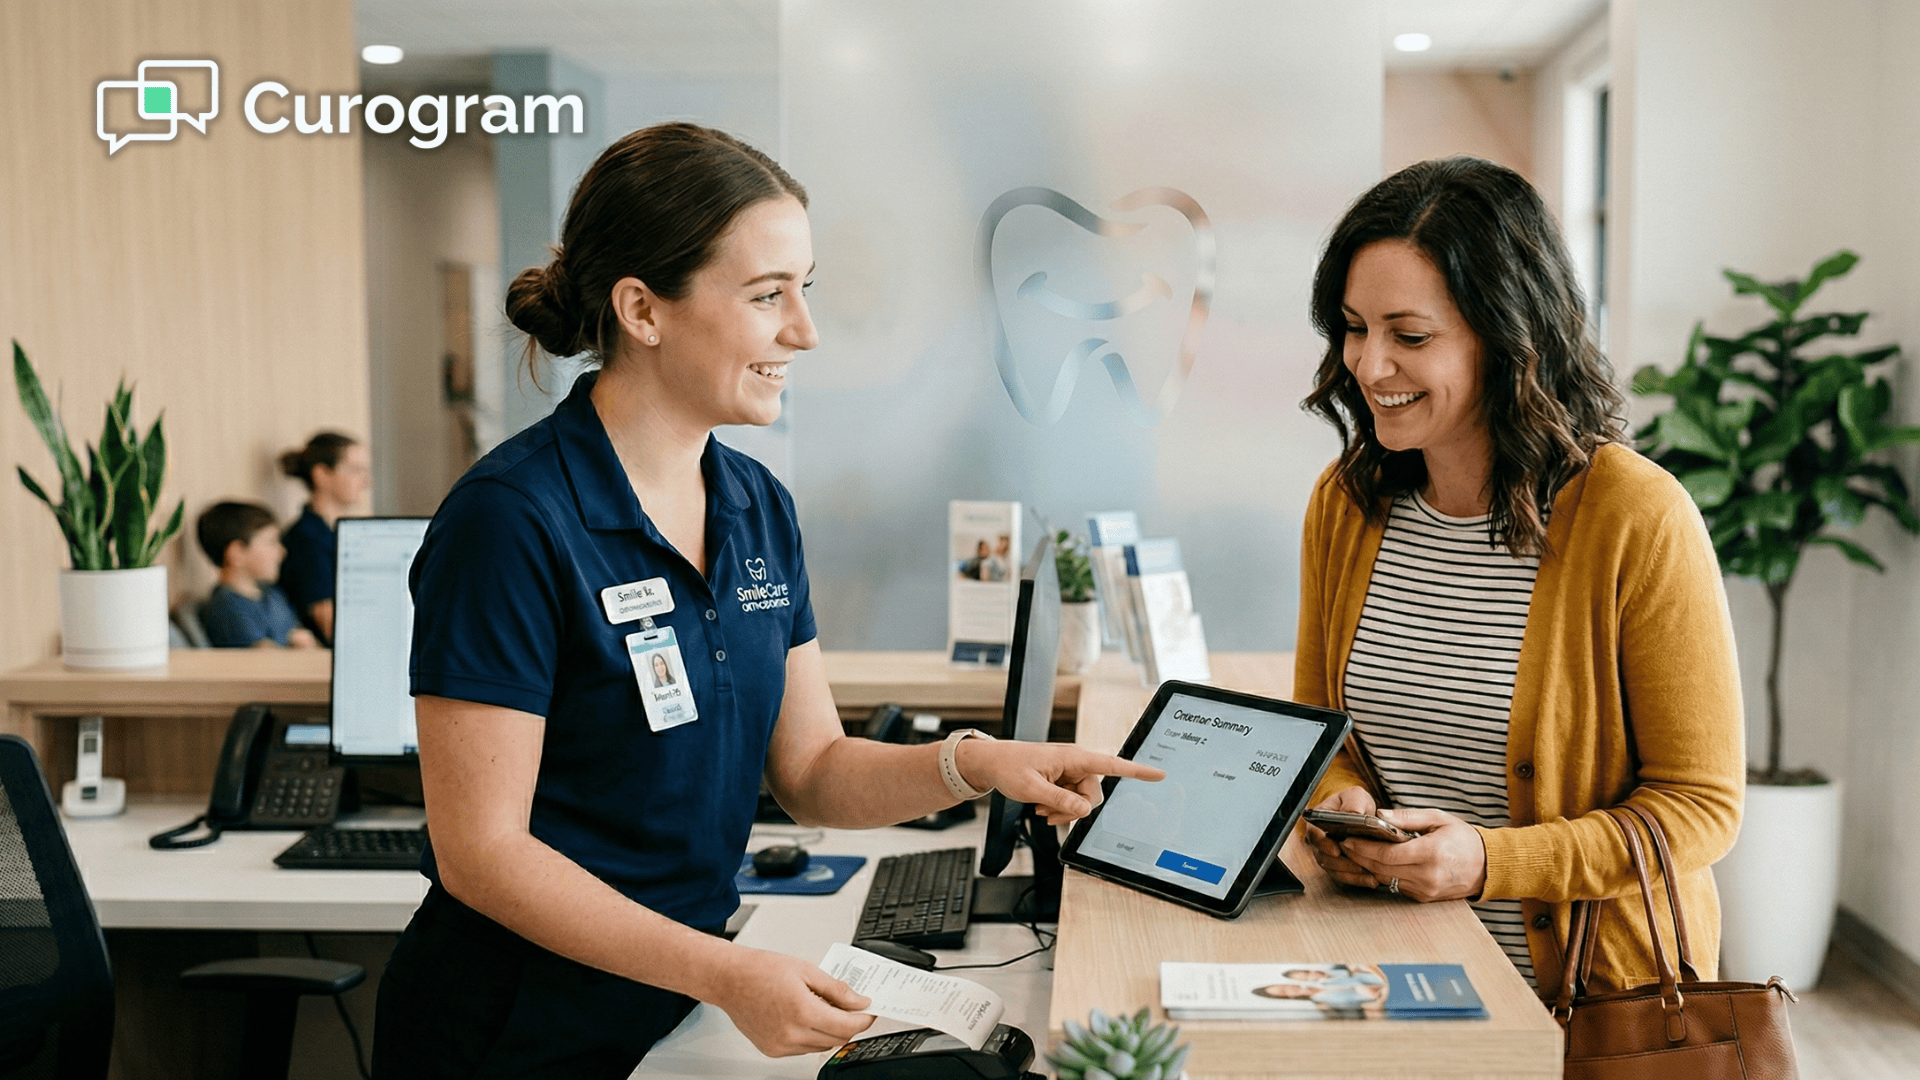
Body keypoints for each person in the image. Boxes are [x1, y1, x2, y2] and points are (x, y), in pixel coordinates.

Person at [371, 122, 1163, 1080]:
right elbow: (483, 855)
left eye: (806, 288)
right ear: (642, 309)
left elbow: (813, 767)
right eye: (766, 295)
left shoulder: (754, 504)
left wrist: (978, 764)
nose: (805, 329)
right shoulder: (510, 521)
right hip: (510, 1023)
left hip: (665, 999)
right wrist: (728, 972)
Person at [1293, 156, 1744, 996]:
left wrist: (1489, 862)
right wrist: (1344, 799)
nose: (1368, 364)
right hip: (1393, 979)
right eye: (1355, 327)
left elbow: (1699, 808)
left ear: (1508, 338)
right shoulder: (1347, 501)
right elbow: (1325, 734)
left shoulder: (1636, 516)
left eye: (1411, 335)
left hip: (1590, 1009)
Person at [277, 431, 372, 644]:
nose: (367, 482)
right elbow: (332, 626)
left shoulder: (339, 534)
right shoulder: (307, 539)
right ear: (321, 474)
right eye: (356, 471)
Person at [195, 501, 320, 649]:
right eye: (271, 542)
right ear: (237, 553)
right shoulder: (226, 608)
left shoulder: (273, 595)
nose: (282, 552)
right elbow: (266, 661)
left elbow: (307, 641)